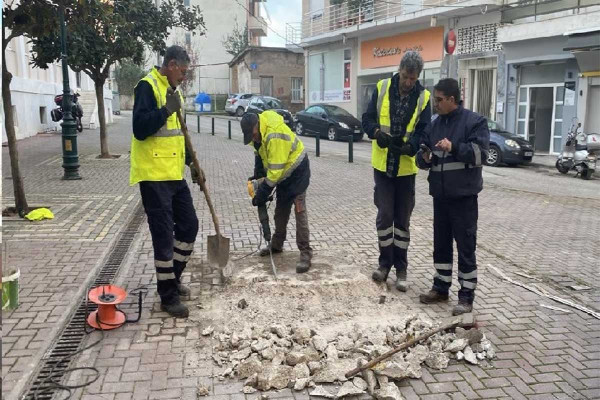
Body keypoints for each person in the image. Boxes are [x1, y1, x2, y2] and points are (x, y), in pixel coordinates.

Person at [130, 45, 205, 318]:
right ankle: (168, 297)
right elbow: (140, 129)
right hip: (153, 177)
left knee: (189, 225)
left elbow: (177, 135)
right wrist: (165, 110)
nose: (184, 77)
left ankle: (172, 279)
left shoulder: (174, 93)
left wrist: (192, 165)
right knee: (163, 237)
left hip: (174, 175)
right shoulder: (147, 87)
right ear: (172, 65)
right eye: (183, 71)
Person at [415, 78, 489, 316]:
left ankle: (466, 297)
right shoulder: (434, 125)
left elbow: (480, 155)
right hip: (441, 196)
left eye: (438, 100)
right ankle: (440, 287)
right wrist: (424, 158)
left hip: (464, 198)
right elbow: (421, 154)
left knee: (466, 247)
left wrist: (454, 146)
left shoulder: (474, 122)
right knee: (441, 246)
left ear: (451, 99)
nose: (435, 104)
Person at [361, 51, 431, 291]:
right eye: (405, 77)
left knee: (402, 221)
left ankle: (401, 268)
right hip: (383, 168)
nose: (408, 83)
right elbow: (367, 119)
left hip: (405, 170)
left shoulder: (424, 97)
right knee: (384, 217)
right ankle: (384, 264)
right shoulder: (381, 88)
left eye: (413, 79)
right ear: (399, 70)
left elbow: (424, 131)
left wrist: (413, 146)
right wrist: (376, 133)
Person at [240, 111, 312, 273]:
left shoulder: (274, 135)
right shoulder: (258, 135)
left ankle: (306, 252)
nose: (253, 139)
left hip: (298, 171)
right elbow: (260, 157)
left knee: (299, 211)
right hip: (283, 174)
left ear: (257, 125)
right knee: (281, 211)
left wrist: (262, 194)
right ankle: (277, 245)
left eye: (253, 135)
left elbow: (273, 175)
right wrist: (258, 178)